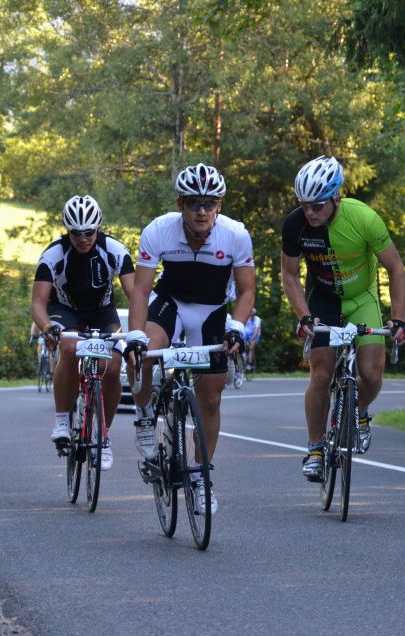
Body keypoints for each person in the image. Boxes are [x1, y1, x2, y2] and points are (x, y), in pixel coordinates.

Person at [124, 163, 255, 515]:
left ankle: (200, 476)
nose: (201, 210)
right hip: (171, 304)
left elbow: (246, 292)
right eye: (194, 203)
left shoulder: (236, 235)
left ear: (219, 206)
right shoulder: (158, 231)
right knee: (144, 352)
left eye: (209, 203)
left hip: (212, 309)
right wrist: (135, 335)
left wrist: (237, 328)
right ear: (180, 203)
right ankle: (145, 416)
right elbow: (141, 290)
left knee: (210, 399)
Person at [280, 155, 405, 482]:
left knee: (371, 371)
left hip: (361, 297)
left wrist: (398, 319)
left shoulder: (364, 218)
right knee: (321, 375)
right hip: (322, 299)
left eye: (318, 205)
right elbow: (290, 275)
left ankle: (360, 413)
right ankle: (315, 448)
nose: (310, 212)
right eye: (304, 204)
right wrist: (304, 316)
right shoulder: (296, 225)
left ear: (337, 196)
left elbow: (395, 268)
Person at [30, 195, 135, 472]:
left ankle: (104, 436)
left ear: (98, 226)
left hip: (102, 311)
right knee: (68, 347)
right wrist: (47, 327)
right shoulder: (53, 255)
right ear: (67, 229)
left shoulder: (115, 250)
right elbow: (38, 303)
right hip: (65, 310)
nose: (83, 238)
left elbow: (136, 295)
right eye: (76, 233)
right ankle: (63, 419)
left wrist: (138, 331)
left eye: (89, 231)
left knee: (112, 366)